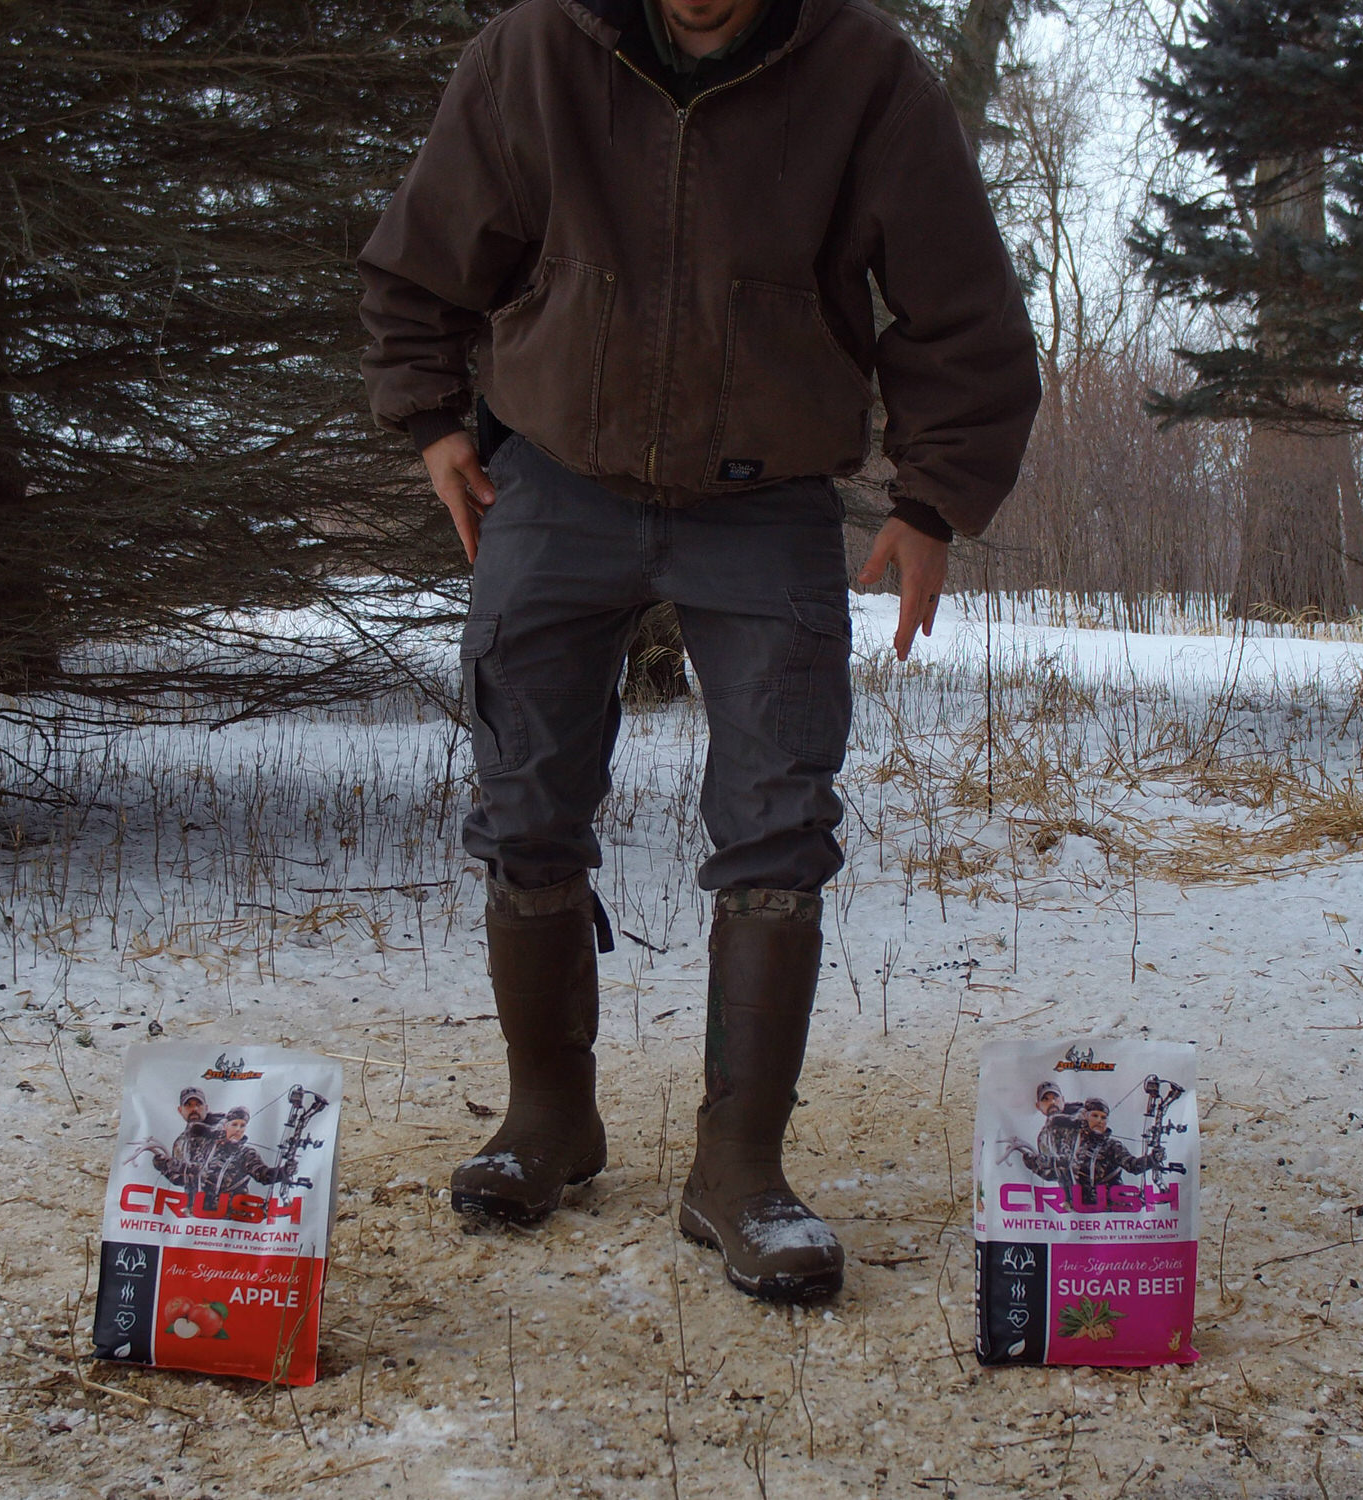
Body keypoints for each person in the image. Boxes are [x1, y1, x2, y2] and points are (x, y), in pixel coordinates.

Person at [357, 0, 1039, 1301]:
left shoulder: (865, 72)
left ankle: (739, 1170)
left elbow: (961, 307)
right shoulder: (534, 54)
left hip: (767, 493)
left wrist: (932, 496)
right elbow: (423, 257)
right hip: (551, 478)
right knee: (524, 798)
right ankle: (548, 1124)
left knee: (780, 815)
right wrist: (433, 418)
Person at [1062, 1097, 1163, 1201]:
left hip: (1109, 1204)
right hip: (1078, 1205)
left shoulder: (1112, 1146)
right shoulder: (1073, 1141)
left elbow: (1133, 1165)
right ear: (1085, 1117)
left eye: (1103, 1117)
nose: (1099, 1121)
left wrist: (1153, 1159)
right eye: (1095, 1116)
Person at [150, 1085, 224, 1186]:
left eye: (199, 1104)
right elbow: (181, 1180)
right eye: (188, 1105)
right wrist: (165, 1168)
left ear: (206, 1108)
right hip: (196, 1199)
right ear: (180, 1110)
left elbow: (217, 1174)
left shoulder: (225, 1130)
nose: (194, 1109)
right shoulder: (180, 1143)